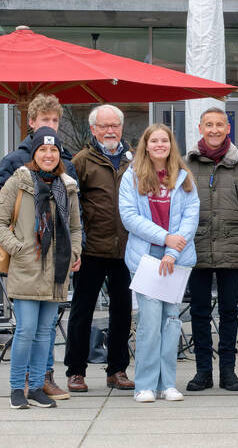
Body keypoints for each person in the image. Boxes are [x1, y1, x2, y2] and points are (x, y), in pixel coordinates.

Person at [0, 94, 77, 401]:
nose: (52, 128)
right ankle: (20, 385)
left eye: (56, 122)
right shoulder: (14, 169)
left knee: (44, 331)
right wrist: (17, 247)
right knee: (26, 329)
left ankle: (41, 382)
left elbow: (75, 221)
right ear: (31, 124)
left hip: (55, 265)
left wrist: (75, 251)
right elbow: (4, 216)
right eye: (45, 122)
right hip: (27, 262)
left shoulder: (66, 176)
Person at [119, 124, 199, 403]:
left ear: (170, 144)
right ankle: (145, 384)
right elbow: (129, 217)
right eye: (154, 140)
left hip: (175, 261)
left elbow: (191, 217)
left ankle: (168, 384)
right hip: (146, 259)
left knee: (171, 322)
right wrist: (166, 239)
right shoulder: (132, 176)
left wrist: (173, 252)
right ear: (146, 144)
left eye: (164, 140)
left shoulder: (184, 176)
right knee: (149, 324)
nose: (160, 145)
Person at [185, 107, 238, 392]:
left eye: (219, 125)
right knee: (199, 312)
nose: (214, 130)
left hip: (233, 249)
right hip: (196, 249)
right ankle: (203, 371)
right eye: (209, 125)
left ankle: (228, 371)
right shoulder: (186, 165)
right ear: (200, 128)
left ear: (228, 128)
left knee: (230, 312)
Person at [64, 104, 134, 393]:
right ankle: (75, 371)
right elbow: (71, 206)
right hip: (91, 249)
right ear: (93, 129)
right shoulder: (81, 161)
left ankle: (116, 369)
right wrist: (75, 248)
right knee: (82, 311)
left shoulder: (134, 160)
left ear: (121, 127)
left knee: (123, 312)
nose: (110, 131)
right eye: (104, 126)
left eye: (114, 125)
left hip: (126, 250)